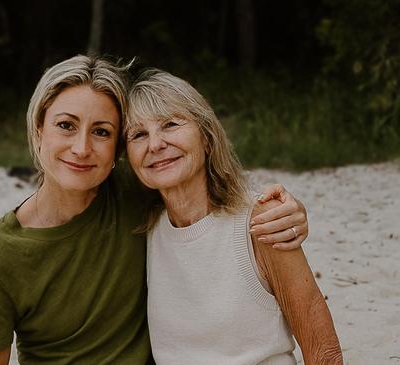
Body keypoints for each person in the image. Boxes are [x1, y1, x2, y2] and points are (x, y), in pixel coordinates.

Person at [0, 55, 310, 365]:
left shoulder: (136, 194)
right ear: (39, 130)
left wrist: (288, 210)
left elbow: (200, 180)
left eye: (101, 132)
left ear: (116, 150)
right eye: (66, 125)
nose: (82, 148)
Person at [125, 69, 342, 365]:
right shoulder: (141, 231)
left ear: (207, 139)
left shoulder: (262, 221)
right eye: (138, 134)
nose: (155, 144)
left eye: (170, 124)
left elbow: (322, 349)